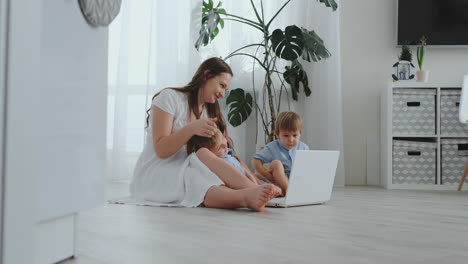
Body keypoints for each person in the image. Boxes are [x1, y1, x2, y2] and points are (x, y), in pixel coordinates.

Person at [129, 57, 281, 211]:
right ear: (206, 75)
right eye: (221, 86)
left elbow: (229, 152)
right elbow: (161, 150)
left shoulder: (209, 111)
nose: (222, 94)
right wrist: (192, 128)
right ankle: (245, 197)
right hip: (158, 170)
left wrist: (255, 180)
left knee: (205, 170)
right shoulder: (169, 98)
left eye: (225, 90)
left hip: (190, 164)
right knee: (196, 176)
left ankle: (251, 191)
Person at [251, 111, 309, 195]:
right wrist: (264, 173)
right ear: (277, 134)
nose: (291, 140)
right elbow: (255, 160)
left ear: (300, 133)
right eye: (286, 135)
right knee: (276, 163)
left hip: (296, 182)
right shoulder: (272, 147)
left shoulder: (303, 147)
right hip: (276, 181)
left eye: (295, 135)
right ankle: (288, 192)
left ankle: (285, 191)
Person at [186, 128, 265, 186]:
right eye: (219, 147)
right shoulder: (219, 164)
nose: (225, 145)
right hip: (243, 185)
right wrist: (254, 184)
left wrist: (254, 181)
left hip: (249, 181)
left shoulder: (229, 154)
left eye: (223, 138)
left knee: (260, 176)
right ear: (210, 154)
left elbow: (245, 171)